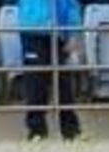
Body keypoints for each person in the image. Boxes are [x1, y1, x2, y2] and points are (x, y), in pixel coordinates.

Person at [18, 0, 83, 142]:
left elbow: (72, 5)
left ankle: (71, 131)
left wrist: (72, 33)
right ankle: (36, 131)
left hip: (59, 32)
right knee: (35, 82)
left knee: (64, 82)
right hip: (32, 30)